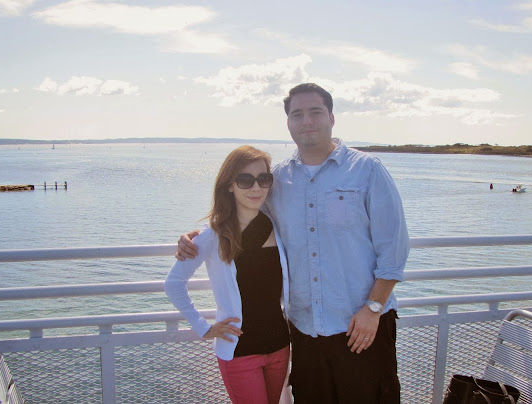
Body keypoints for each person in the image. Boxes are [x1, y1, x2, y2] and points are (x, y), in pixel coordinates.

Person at [177, 83, 410, 403]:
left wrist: (373, 309)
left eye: (315, 112)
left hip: (362, 327)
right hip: (304, 332)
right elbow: (242, 214)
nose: (307, 121)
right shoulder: (277, 180)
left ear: (331, 117)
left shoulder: (368, 171)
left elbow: (394, 250)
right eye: (297, 114)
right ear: (288, 123)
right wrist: (198, 237)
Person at [164, 145, 291, 404]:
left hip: (279, 346)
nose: (256, 187)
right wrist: (203, 327)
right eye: (245, 180)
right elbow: (174, 283)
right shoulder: (214, 234)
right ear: (230, 185)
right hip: (240, 351)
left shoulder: (276, 225)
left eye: (263, 179)